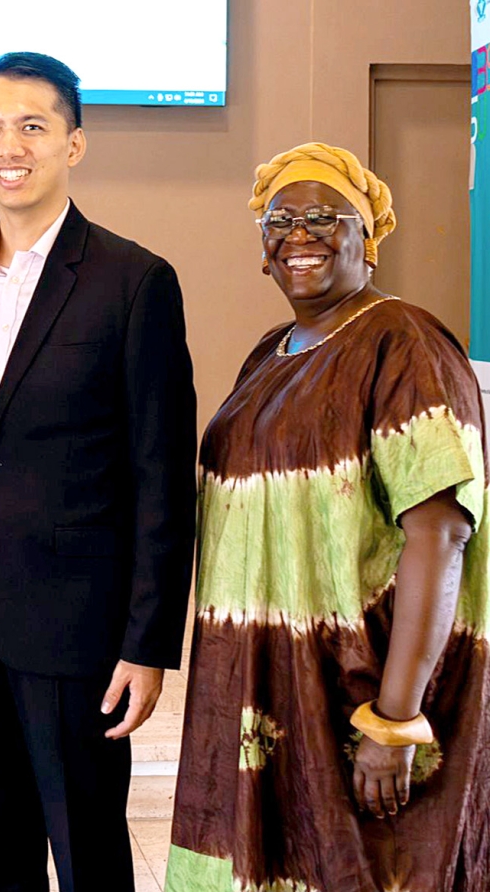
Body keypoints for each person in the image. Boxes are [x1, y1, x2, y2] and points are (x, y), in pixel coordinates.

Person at [166, 143, 490, 892]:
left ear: (367, 238)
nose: (299, 234)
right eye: (281, 218)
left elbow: (439, 534)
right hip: (265, 692)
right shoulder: (269, 356)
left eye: (325, 216)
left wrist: (395, 717)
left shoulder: (404, 343)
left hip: (355, 699)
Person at [0, 52, 197, 892]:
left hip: (78, 628)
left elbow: (160, 476)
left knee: (87, 854)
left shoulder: (133, 281)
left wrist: (147, 643)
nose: (11, 146)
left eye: (34, 126)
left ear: (74, 144)